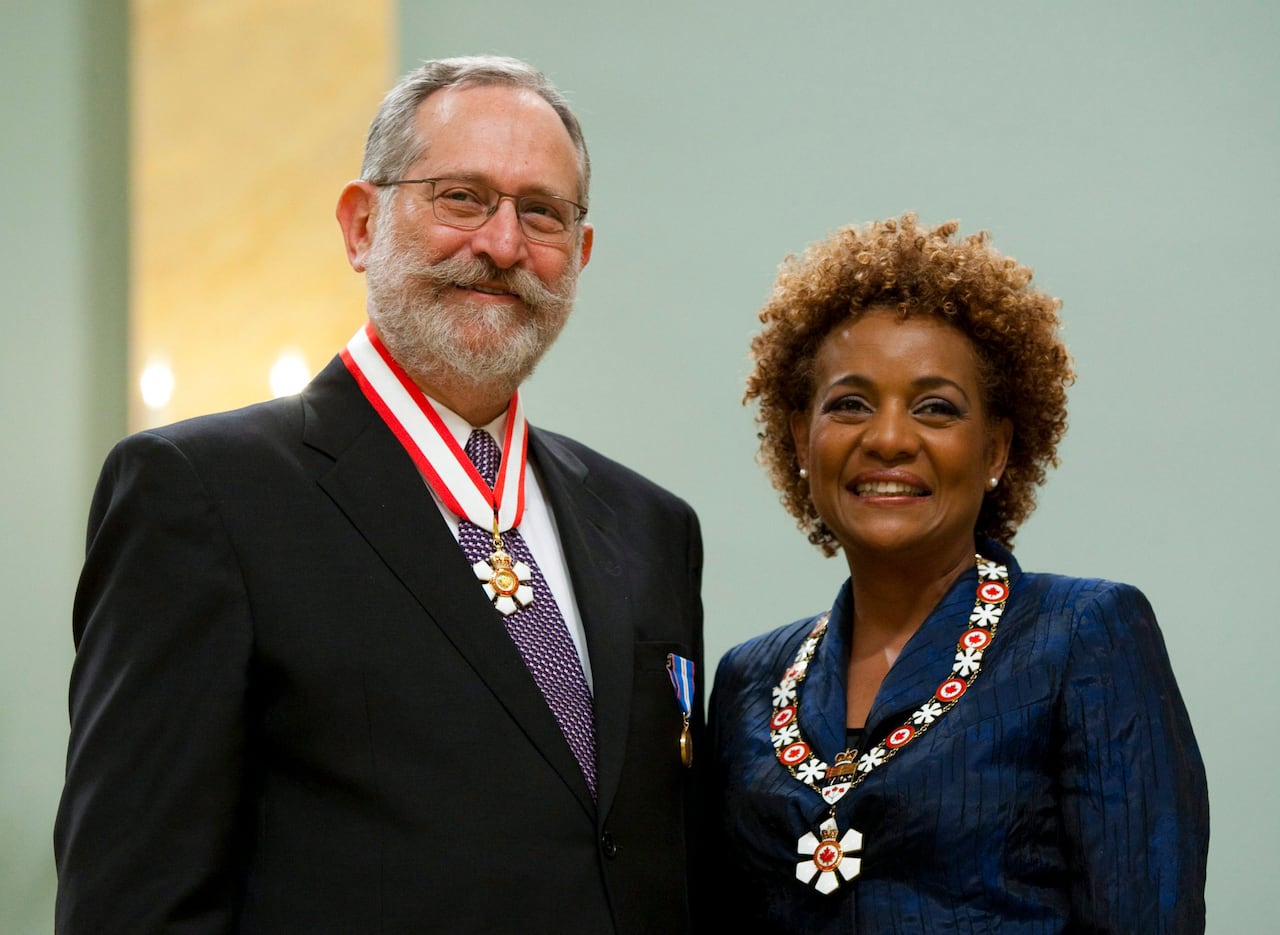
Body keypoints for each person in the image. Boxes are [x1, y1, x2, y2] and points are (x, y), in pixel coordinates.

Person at [55, 56, 704, 935]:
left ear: (578, 256)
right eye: (461, 197)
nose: (504, 244)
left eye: (540, 212)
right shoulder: (204, 496)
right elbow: (133, 901)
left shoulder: (651, 527)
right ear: (362, 224)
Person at [705, 214, 1208, 932]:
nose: (887, 438)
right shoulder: (749, 682)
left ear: (996, 448)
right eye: (849, 404)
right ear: (800, 441)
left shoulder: (1085, 637)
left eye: (935, 408)